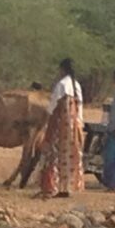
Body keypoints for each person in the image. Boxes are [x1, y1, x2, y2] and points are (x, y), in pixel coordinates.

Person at [40, 58, 85, 198]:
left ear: (62, 69)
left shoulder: (61, 85)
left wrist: (47, 122)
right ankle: (68, 188)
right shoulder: (76, 85)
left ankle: (53, 187)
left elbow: (52, 107)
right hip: (74, 125)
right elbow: (80, 108)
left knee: (55, 155)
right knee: (71, 156)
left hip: (61, 125)